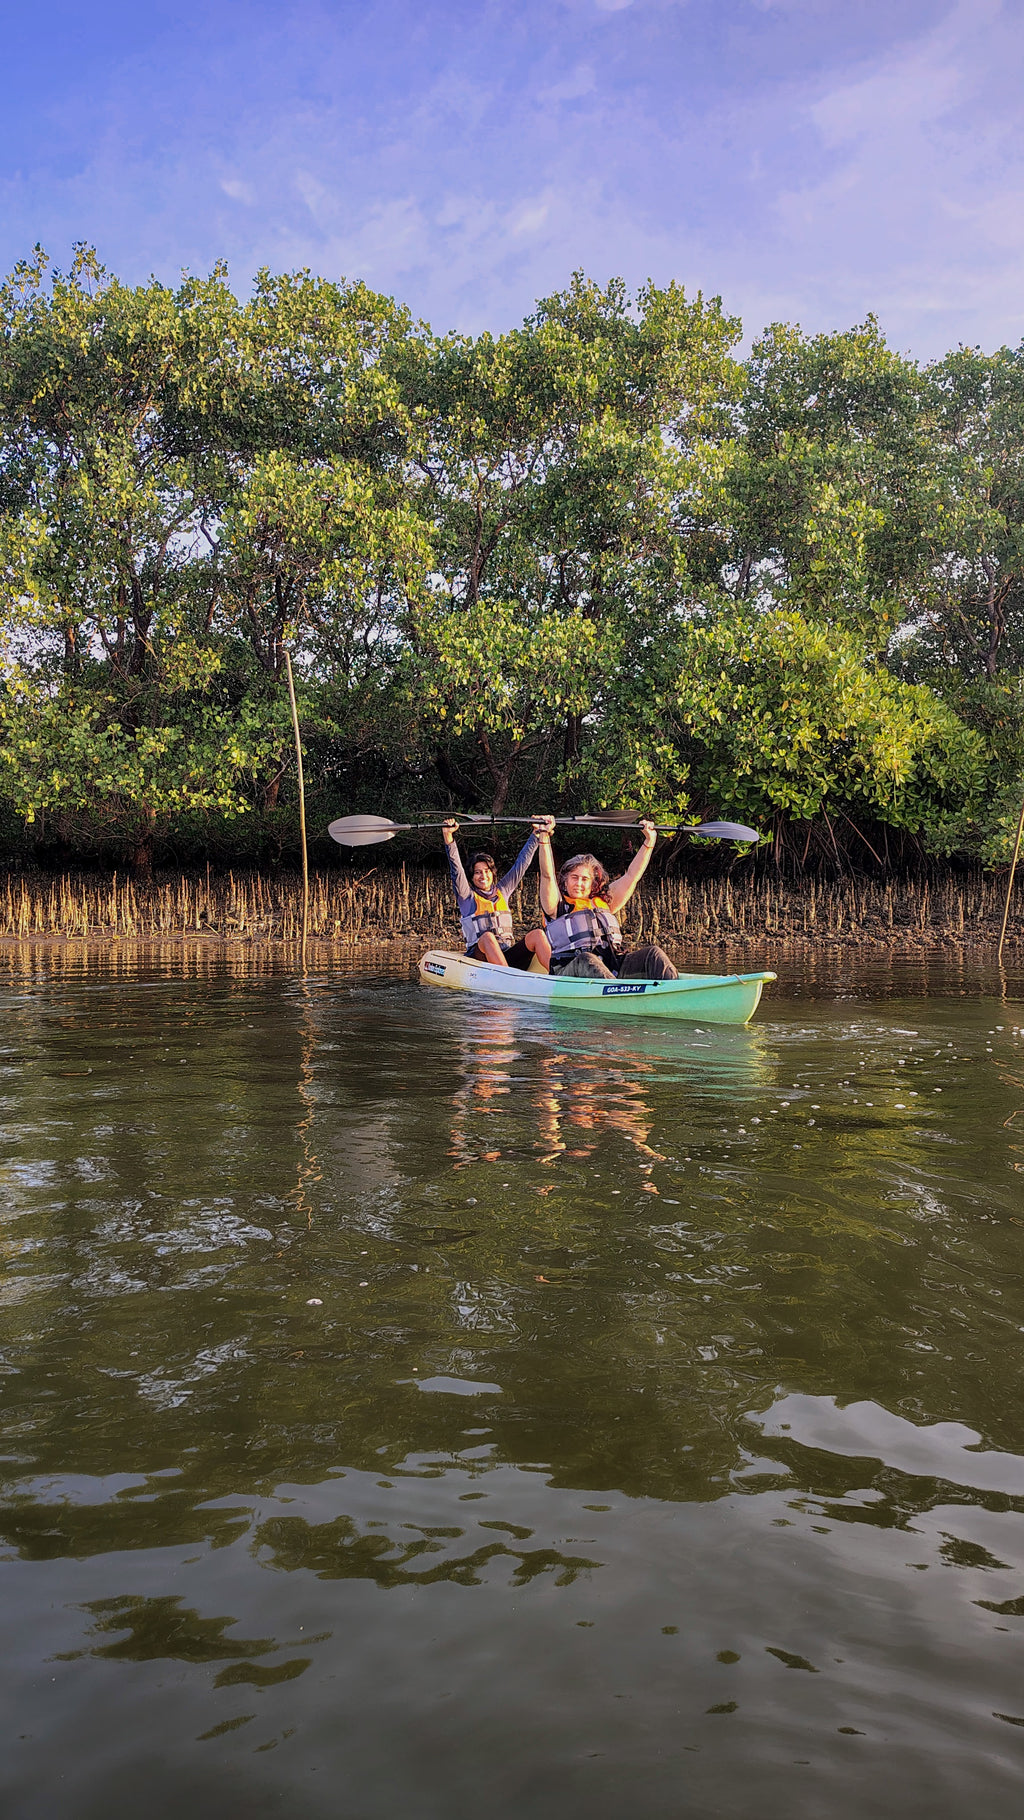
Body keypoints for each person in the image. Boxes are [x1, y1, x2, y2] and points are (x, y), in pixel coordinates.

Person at [535, 817, 678, 979]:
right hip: (570, 973)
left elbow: (632, 876)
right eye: (574, 878)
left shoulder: (604, 902)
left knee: (653, 954)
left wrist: (649, 841)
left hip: (612, 967)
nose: (579, 883)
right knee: (588, 959)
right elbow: (547, 875)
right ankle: (615, 998)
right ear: (565, 881)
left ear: (592, 883)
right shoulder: (556, 906)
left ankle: (674, 990)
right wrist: (544, 837)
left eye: (584, 879)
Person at [441, 819, 552, 971]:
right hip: (480, 957)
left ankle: (557, 975)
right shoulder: (466, 897)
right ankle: (508, 979)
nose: (483, 876)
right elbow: (456, 870)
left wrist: (535, 835)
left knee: (538, 934)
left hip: (505, 954)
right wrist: (449, 839)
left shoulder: (503, 890)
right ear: (472, 877)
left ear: (492, 873)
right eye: (478, 872)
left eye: (486, 871)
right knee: (487, 937)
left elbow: (521, 864)